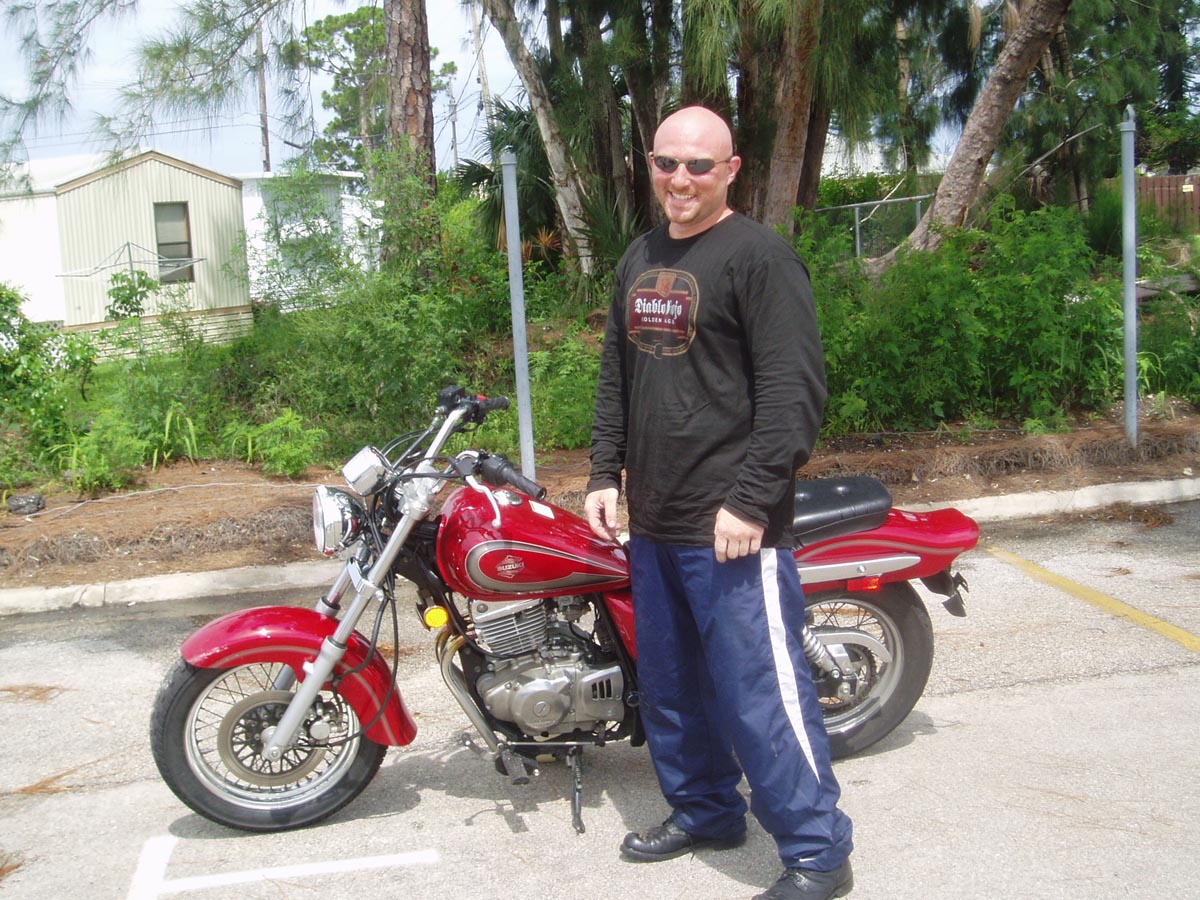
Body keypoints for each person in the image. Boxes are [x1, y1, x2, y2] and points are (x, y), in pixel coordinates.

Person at [584, 105, 854, 900]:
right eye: (667, 162)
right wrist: (603, 474)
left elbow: (795, 394)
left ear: (731, 170)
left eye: (699, 165)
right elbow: (617, 377)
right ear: (650, 165)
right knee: (674, 692)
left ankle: (818, 854)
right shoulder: (639, 257)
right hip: (654, 523)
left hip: (733, 530)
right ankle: (705, 812)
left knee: (760, 695)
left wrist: (750, 501)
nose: (681, 178)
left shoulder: (761, 258)